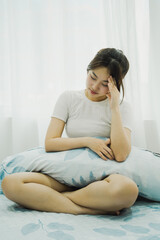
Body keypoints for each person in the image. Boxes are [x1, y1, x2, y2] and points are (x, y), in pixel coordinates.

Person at [2, 48, 138, 215]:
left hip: (101, 179)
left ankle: (55, 198)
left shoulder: (123, 107)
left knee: (128, 190)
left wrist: (114, 108)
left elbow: (121, 154)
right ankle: (86, 209)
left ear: (116, 83)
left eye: (104, 84)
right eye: (92, 77)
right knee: (10, 183)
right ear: (88, 70)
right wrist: (88, 141)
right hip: (67, 174)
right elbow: (50, 142)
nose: (94, 86)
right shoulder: (69, 98)